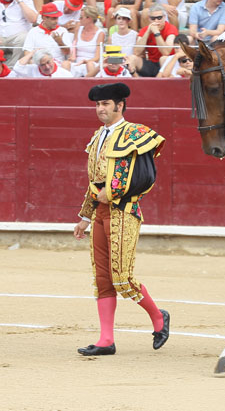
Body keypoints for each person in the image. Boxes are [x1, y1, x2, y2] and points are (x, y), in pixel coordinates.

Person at [73, 82, 169, 357]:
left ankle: (159, 317)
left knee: (122, 277)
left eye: (105, 104)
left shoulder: (137, 133)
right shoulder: (97, 137)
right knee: (103, 278)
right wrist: (85, 217)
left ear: (120, 105)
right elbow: (94, 183)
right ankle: (106, 340)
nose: (100, 109)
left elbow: (146, 177)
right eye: (98, 104)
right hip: (101, 214)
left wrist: (112, 193)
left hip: (124, 212)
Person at [18, 2, 72, 67]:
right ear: (44, 18)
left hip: (58, 66)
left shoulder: (62, 30)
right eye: (53, 18)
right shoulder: (33, 31)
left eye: (57, 18)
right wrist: (33, 64)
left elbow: (68, 53)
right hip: (40, 65)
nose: (56, 21)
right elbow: (27, 52)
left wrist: (60, 43)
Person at [135, 4, 177, 77]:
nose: (156, 21)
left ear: (164, 17)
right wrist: (147, 32)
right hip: (152, 64)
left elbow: (166, 52)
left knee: (163, 58)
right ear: (149, 19)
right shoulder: (145, 30)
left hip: (167, 64)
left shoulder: (171, 28)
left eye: (159, 18)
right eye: (153, 18)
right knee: (133, 58)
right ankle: (137, 84)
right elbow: (136, 52)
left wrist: (156, 33)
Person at [69, 5, 104, 77]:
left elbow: (97, 57)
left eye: (81, 17)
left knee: (89, 64)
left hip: (92, 62)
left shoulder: (100, 33)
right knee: (65, 64)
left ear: (89, 18)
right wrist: (72, 57)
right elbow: (74, 47)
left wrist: (86, 61)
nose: (79, 19)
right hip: (77, 62)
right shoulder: (78, 29)